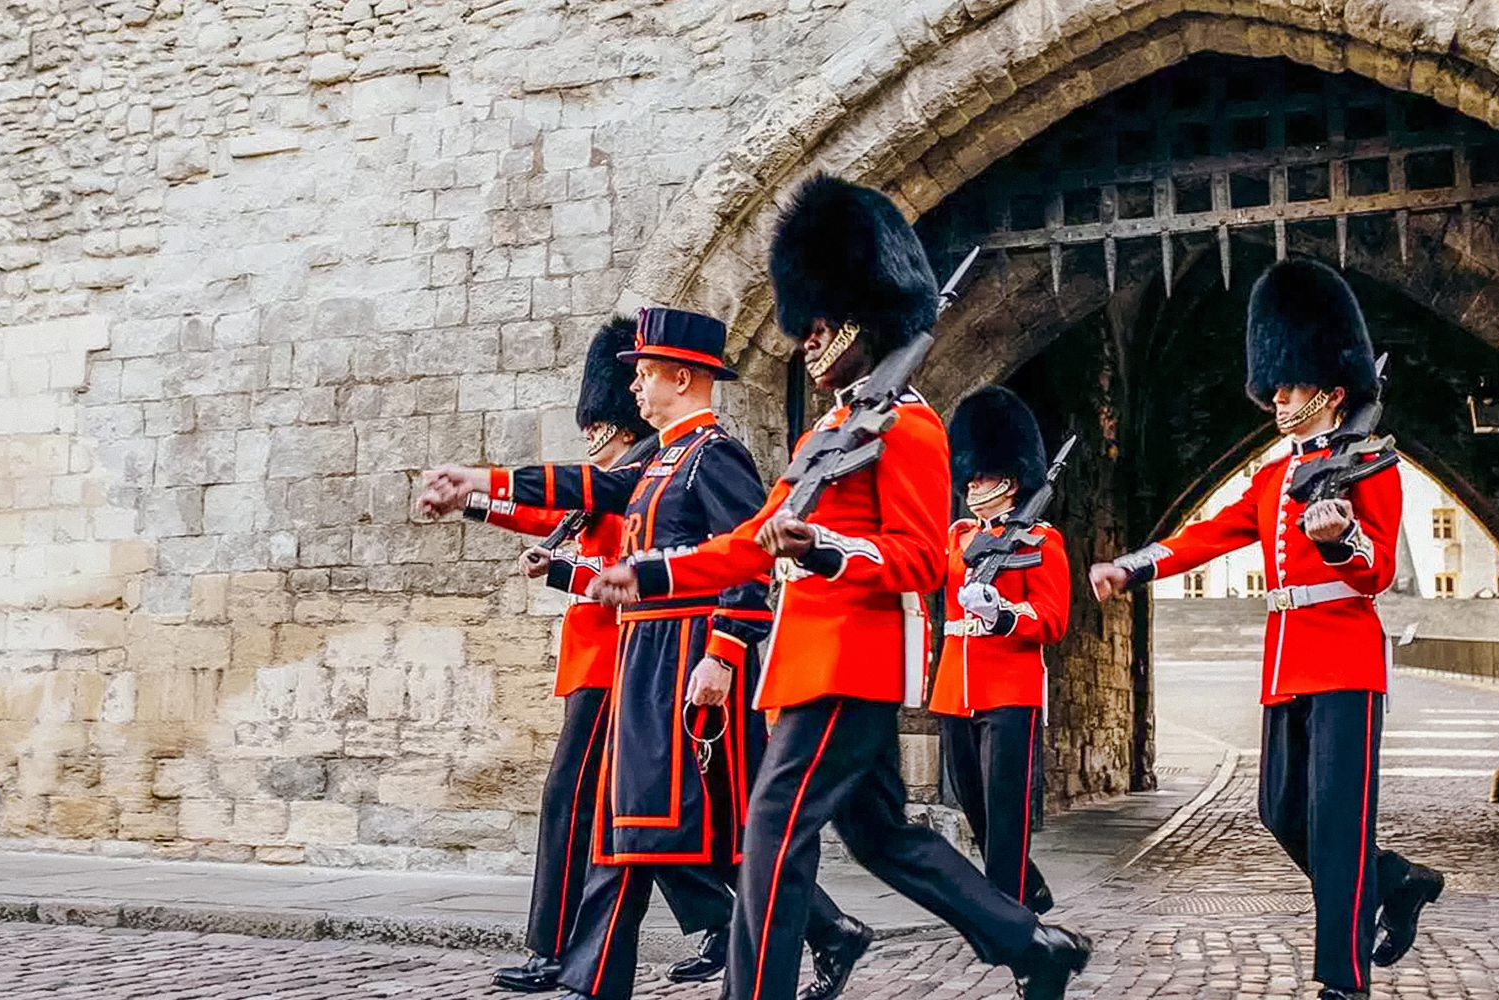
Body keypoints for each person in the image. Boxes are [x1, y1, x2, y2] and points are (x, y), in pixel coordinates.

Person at [587, 175, 1092, 1000]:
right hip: (805, 663)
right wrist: (647, 571)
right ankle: (1033, 945)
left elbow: (924, 562)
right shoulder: (828, 429)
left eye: (821, 327)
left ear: (862, 321)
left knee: (770, 836)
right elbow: (752, 543)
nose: (808, 342)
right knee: (885, 836)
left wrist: (826, 550)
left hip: (851, 664)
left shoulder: (912, 426)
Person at [418, 306, 866, 1000]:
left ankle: (611, 977)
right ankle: (599, 977)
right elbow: (587, 488)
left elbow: (748, 563)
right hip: (647, 660)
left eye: (645, 374)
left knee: (701, 831)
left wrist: (721, 654)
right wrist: (479, 484)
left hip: (689, 667)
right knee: (634, 824)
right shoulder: (662, 458)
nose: (633, 389)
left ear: (681, 376)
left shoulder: (714, 455)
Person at [1087, 258, 1445, 1000]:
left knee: (1336, 826)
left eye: (1290, 384)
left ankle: (1341, 981)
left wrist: (1339, 538)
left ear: (1332, 389)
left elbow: (1375, 571)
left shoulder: (1372, 465)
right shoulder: (1272, 477)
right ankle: (1399, 881)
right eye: (1275, 384)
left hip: (1346, 662)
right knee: (1280, 811)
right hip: (1285, 664)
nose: (1277, 396)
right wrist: (1134, 564)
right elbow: (1207, 535)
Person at [460, 318, 744, 992]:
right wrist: (475, 501)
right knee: (635, 818)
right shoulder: (629, 475)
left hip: (628, 664)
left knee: (585, 804)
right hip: (604, 662)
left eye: (601, 429)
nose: (594, 441)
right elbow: (545, 512)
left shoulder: (656, 472)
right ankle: (712, 924)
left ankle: (557, 948)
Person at [929, 386, 1067, 916]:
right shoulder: (957, 537)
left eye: (983, 476)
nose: (973, 484)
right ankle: (1027, 885)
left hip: (1010, 687)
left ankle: (1006, 911)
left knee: (1005, 809)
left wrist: (1003, 614)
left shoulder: (1040, 542)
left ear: (1009, 482)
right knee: (976, 807)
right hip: (955, 689)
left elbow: (1052, 619)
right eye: (972, 475)